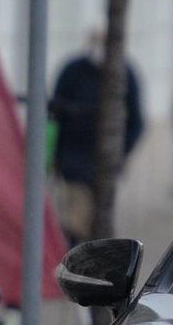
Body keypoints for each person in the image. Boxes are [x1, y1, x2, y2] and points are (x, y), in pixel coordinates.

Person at [48, 28, 142, 246]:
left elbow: (136, 120)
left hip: (107, 163)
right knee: (75, 216)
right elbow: (55, 113)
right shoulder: (73, 71)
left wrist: (122, 151)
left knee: (98, 221)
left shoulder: (125, 73)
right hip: (73, 160)